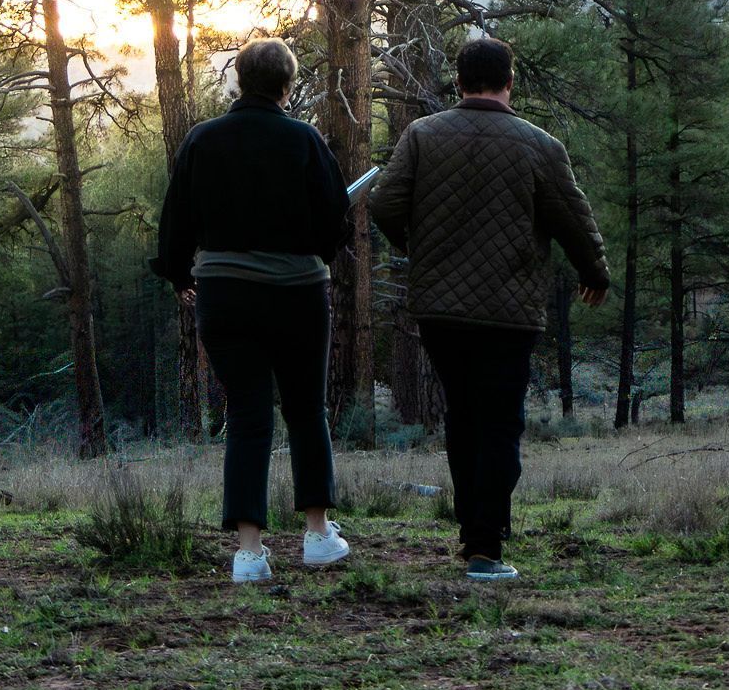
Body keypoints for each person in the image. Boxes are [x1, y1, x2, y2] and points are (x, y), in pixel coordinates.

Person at [368, 35, 609, 581]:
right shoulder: (538, 145)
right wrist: (595, 273)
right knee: (500, 423)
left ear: (459, 82)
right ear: (510, 82)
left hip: (440, 310)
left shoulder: (422, 136)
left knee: (462, 417)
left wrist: (417, 248)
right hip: (509, 309)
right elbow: (573, 217)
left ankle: (471, 531)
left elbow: (384, 204)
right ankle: (485, 547)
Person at [152, 38, 353, 583]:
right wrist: (316, 249)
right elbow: (337, 221)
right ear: (288, 85)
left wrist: (177, 274)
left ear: (239, 81)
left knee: (246, 416)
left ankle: (248, 552)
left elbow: (176, 220)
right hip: (298, 295)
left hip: (223, 295)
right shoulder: (305, 140)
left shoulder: (202, 140)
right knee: (307, 409)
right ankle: (317, 535)